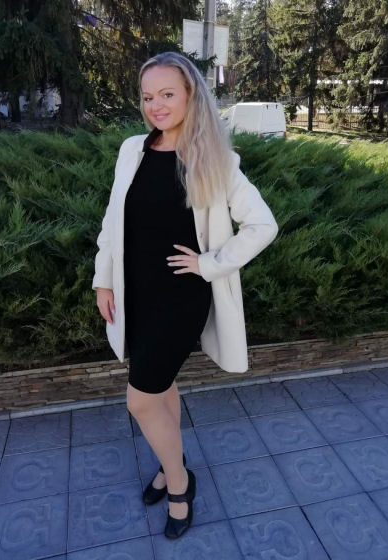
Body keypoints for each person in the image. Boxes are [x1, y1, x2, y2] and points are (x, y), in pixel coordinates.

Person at [92, 51, 278, 539]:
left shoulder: (215, 161)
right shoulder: (132, 150)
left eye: (167, 94)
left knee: (140, 400)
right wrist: (103, 279)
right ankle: (168, 461)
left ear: (191, 94)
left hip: (181, 297)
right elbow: (113, 220)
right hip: (136, 291)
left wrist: (209, 263)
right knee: (161, 388)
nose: (155, 105)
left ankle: (179, 484)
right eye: (147, 96)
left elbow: (262, 225)